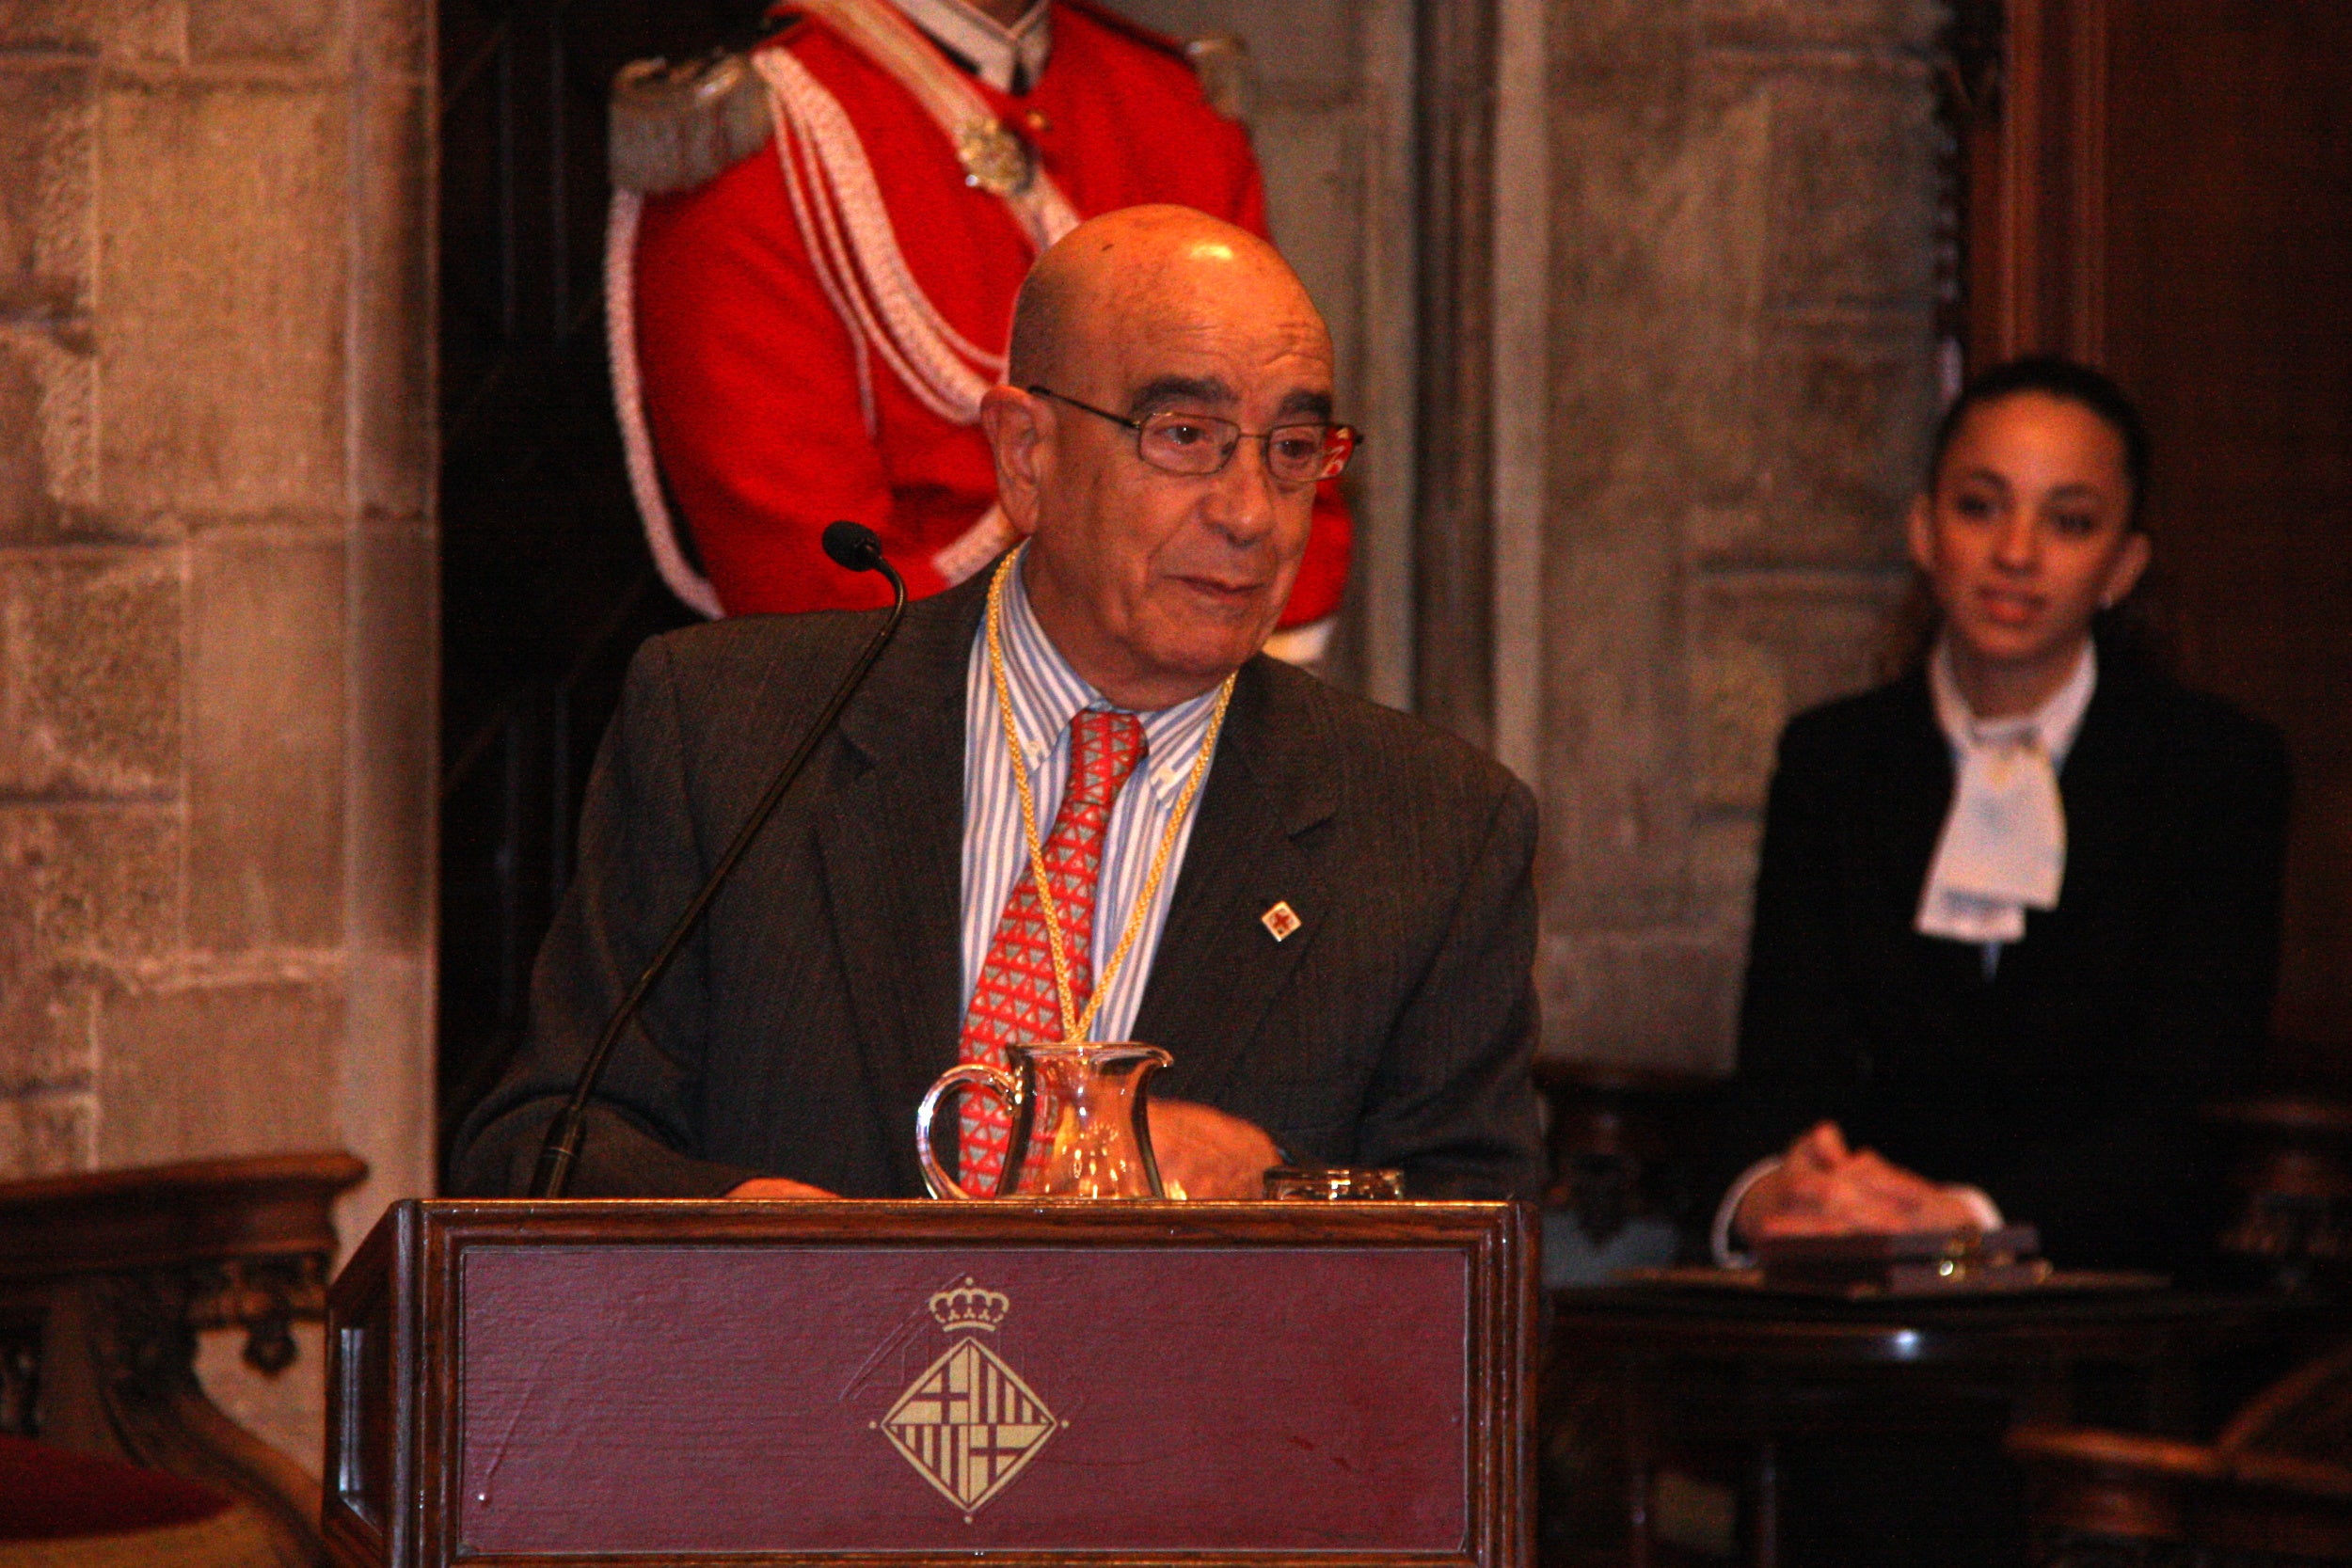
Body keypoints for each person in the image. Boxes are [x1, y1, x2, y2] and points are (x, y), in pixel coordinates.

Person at [451, 205, 1542, 1203]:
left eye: (1293, 450)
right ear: (1027, 454)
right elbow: (546, 1142)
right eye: (1184, 436)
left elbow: (1490, 1267)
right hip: (783, 1403)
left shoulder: (1432, 829)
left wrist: (1283, 1196)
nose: (1252, 514)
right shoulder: (730, 732)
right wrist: (742, 1234)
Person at [1715, 356, 2290, 1276]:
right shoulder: (1833, 760)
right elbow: (1781, 1061)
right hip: (1857, 1278)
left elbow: (2187, 1104)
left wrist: (1971, 1217)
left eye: (2068, 521)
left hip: (2111, 1287)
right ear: (1922, 527)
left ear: (2122, 565)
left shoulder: (2214, 770)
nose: (2016, 552)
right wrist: (1778, 1189)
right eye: (1980, 506)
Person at [611, 0, 1350, 660]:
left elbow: (1288, 457)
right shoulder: (767, 138)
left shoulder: (1170, 104)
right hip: (920, 737)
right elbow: (811, 583)